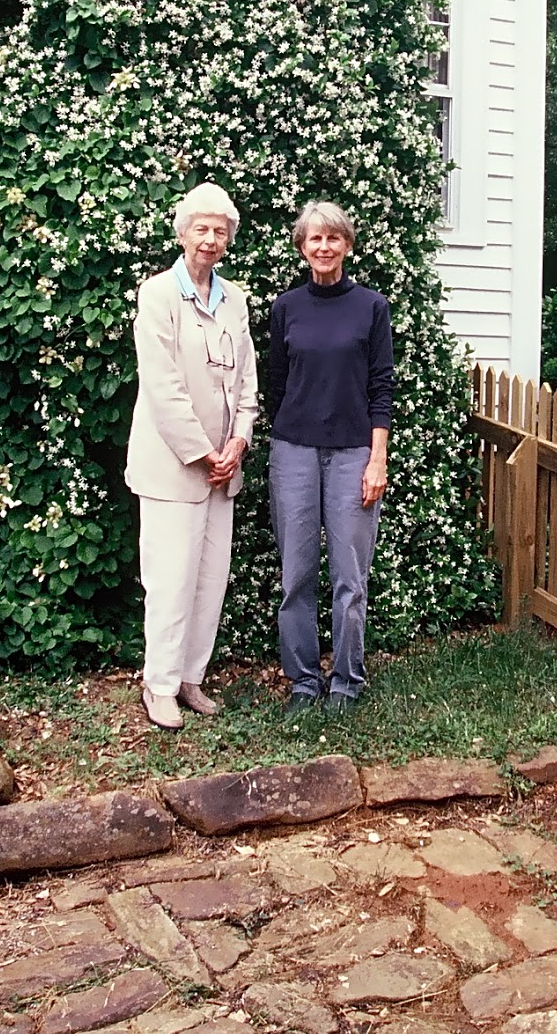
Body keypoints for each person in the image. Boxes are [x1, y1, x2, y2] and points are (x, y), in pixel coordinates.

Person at [125, 182, 258, 731]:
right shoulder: (157, 295)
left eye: (219, 231)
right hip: (173, 470)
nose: (210, 239)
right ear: (182, 234)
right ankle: (158, 685)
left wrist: (237, 444)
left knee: (209, 580)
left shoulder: (235, 299)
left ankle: (190, 678)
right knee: (170, 580)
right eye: (201, 228)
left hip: (223, 471)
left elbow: (246, 382)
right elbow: (163, 387)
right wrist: (205, 454)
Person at [268, 201, 393, 713]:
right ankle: (303, 681)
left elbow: (381, 387)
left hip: (353, 455)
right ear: (302, 247)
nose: (324, 247)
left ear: (347, 245)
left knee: (349, 577)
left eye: (333, 238)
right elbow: (277, 383)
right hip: (293, 453)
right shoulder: (286, 308)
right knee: (296, 575)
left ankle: (346, 682)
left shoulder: (371, 307)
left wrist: (377, 459)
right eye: (315, 239)